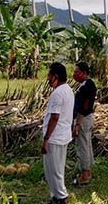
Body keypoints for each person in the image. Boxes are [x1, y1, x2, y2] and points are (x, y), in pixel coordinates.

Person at [42, 63, 75, 204]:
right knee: (56, 168)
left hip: (55, 137)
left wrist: (46, 138)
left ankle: (61, 197)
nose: (48, 79)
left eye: (50, 75)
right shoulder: (68, 90)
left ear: (55, 76)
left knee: (53, 170)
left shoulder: (57, 93)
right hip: (63, 135)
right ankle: (55, 196)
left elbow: (55, 117)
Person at [72, 62, 97, 186]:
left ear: (84, 72)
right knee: (87, 145)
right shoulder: (85, 84)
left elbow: (84, 106)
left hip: (83, 119)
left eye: (76, 71)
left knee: (82, 146)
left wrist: (77, 123)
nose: (74, 74)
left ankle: (85, 175)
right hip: (86, 118)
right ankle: (88, 172)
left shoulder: (87, 85)